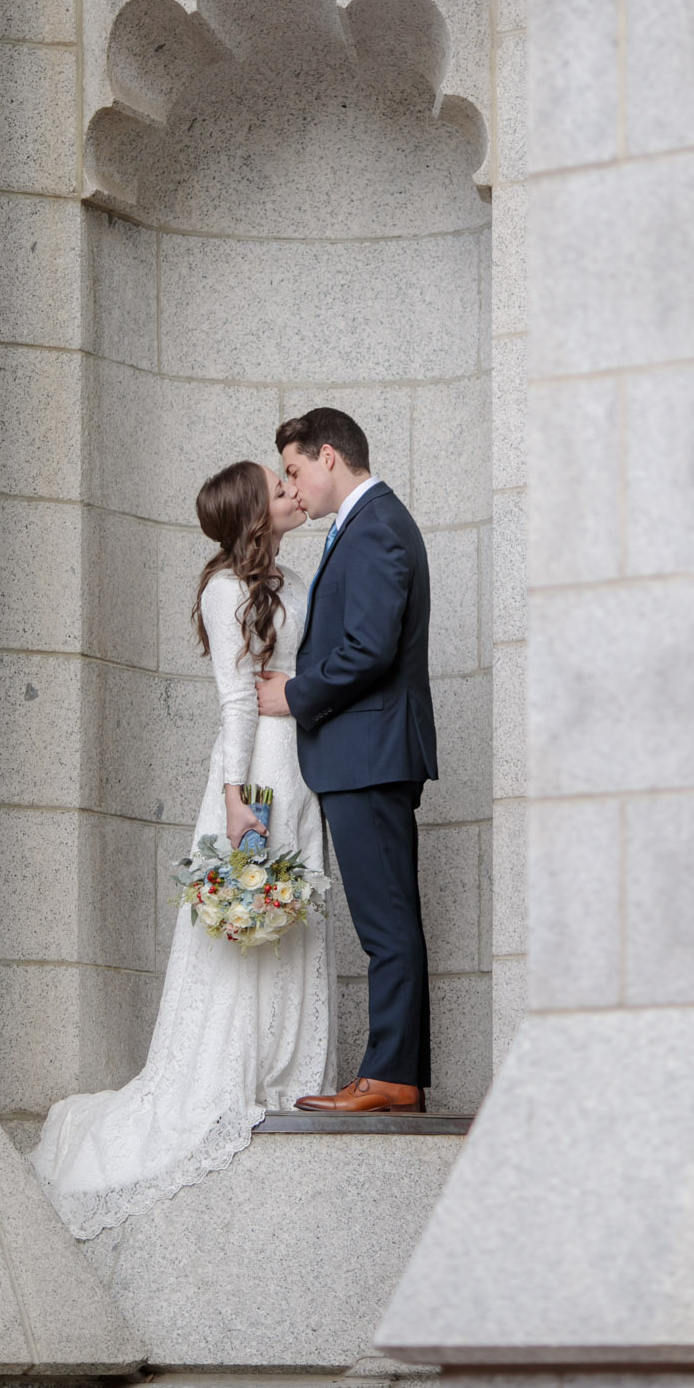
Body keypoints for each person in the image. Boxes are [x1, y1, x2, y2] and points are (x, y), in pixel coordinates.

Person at [29, 461, 334, 1238]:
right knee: (251, 916)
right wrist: (236, 799)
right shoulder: (224, 588)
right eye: (278, 486)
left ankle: (291, 1072)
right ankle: (229, 1078)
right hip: (256, 773)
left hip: (301, 772)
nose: (292, 491)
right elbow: (236, 700)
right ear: (253, 514)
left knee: (298, 915)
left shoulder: (297, 580)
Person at [257, 406, 436, 1114]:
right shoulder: (360, 526)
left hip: (370, 755)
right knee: (387, 919)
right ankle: (398, 1074)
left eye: (295, 471)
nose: (293, 488)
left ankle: (391, 1075)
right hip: (365, 755)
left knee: (385, 924)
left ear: (328, 456)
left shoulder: (377, 527)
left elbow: (369, 649)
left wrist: (295, 696)